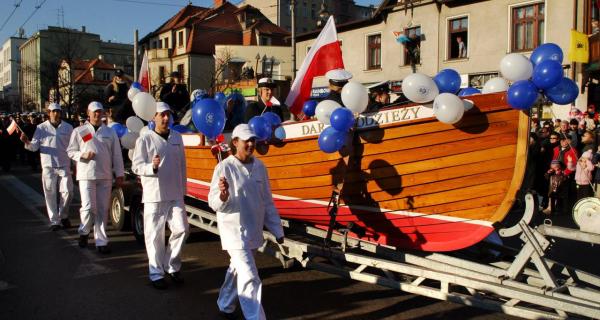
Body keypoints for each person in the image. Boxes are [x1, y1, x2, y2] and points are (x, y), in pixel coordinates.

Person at [208, 124, 284, 320]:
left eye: (253, 140)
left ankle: (225, 304)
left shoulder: (260, 167)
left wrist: (278, 230)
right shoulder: (224, 167)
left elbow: (267, 200)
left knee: (237, 269)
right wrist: (223, 195)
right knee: (250, 276)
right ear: (235, 142)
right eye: (246, 141)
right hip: (234, 232)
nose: (251, 144)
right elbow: (213, 202)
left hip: (253, 230)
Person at [132, 102, 189, 290]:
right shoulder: (145, 138)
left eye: (168, 114)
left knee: (181, 229)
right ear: (153, 117)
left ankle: (172, 266)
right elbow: (136, 166)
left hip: (175, 193)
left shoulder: (177, 137)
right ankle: (156, 273)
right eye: (161, 115)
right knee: (154, 235)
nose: (165, 118)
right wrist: (152, 167)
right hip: (154, 195)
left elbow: (182, 166)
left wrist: (183, 191)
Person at [67, 101, 125, 254]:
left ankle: (101, 241)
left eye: (100, 111)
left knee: (102, 209)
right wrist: (82, 155)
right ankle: (84, 232)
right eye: (94, 112)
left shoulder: (110, 132)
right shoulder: (80, 131)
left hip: (105, 175)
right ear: (88, 113)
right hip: (86, 174)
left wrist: (119, 173)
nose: (97, 114)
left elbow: (117, 154)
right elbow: (70, 151)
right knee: (88, 208)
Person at [20, 103, 74, 231]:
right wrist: (26, 142)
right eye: (53, 111)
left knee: (68, 192)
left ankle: (63, 215)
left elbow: (74, 146)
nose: (56, 114)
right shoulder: (41, 128)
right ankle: (55, 221)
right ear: (48, 113)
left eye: (58, 111)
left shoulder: (68, 127)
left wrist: (75, 164)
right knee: (50, 193)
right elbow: (34, 147)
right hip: (48, 165)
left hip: (64, 164)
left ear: (61, 113)